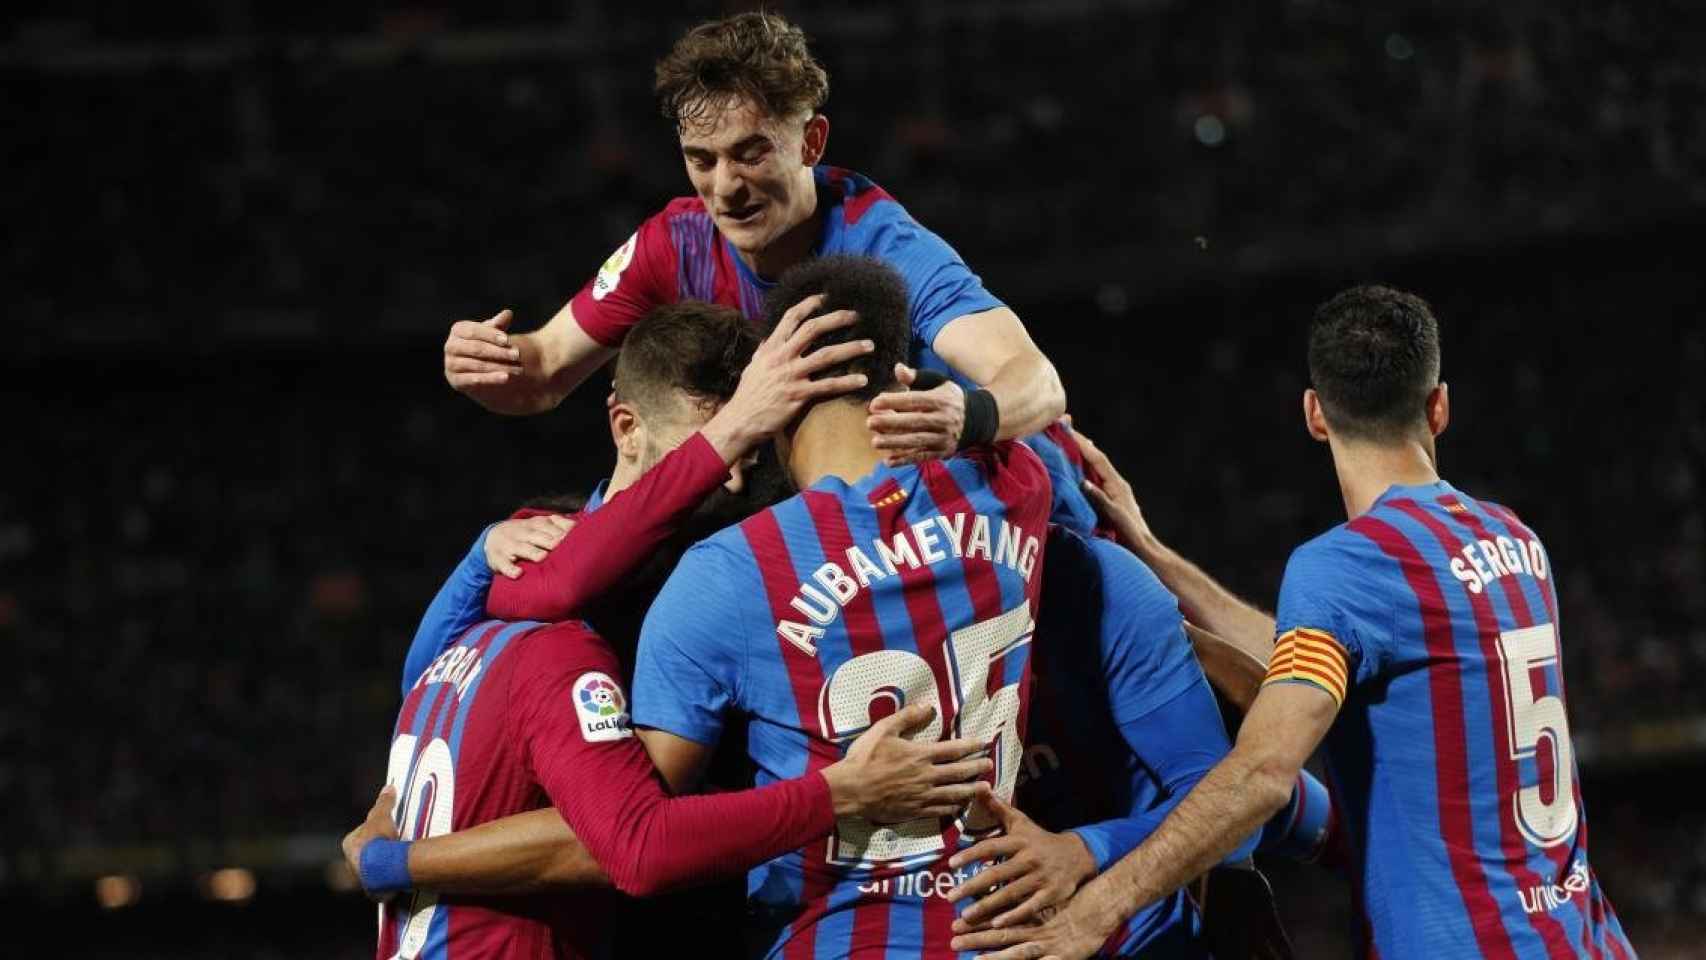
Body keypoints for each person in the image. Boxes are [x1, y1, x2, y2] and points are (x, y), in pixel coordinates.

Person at [956, 285, 1636, 959]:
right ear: (1439, 406)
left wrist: (1090, 912)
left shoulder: (1347, 567)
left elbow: (1261, 775)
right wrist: (1159, 560)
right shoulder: (1513, 542)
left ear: (1315, 413)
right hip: (1584, 936)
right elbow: (1321, 660)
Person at [346, 299, 994, 959]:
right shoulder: (544, 543)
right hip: (597, 902)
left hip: (716, 906)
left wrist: (397, 862)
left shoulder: (749, 553)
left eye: (751, 445)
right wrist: (479, 552)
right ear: (627, 428)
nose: (736, 475)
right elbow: (455, 664)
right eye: (720, 444)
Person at [437, 12, 1094, 526]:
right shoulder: (675, 243)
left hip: (1011, 507)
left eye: (751, 153)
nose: (725, 187)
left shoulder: (883, 243)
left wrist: (966, 415)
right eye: (702, 159)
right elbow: (540, 374)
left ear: (810, 141)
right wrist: (485, 360)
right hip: (844, 506)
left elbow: (1038, 383)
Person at [627, 254, 1053, 956]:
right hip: (1003, 931)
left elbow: (640, 837)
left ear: (779, 397)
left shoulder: (727, 573)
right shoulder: (1017, 485)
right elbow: (1029, 395)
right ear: (902, 375)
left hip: (834, 936)